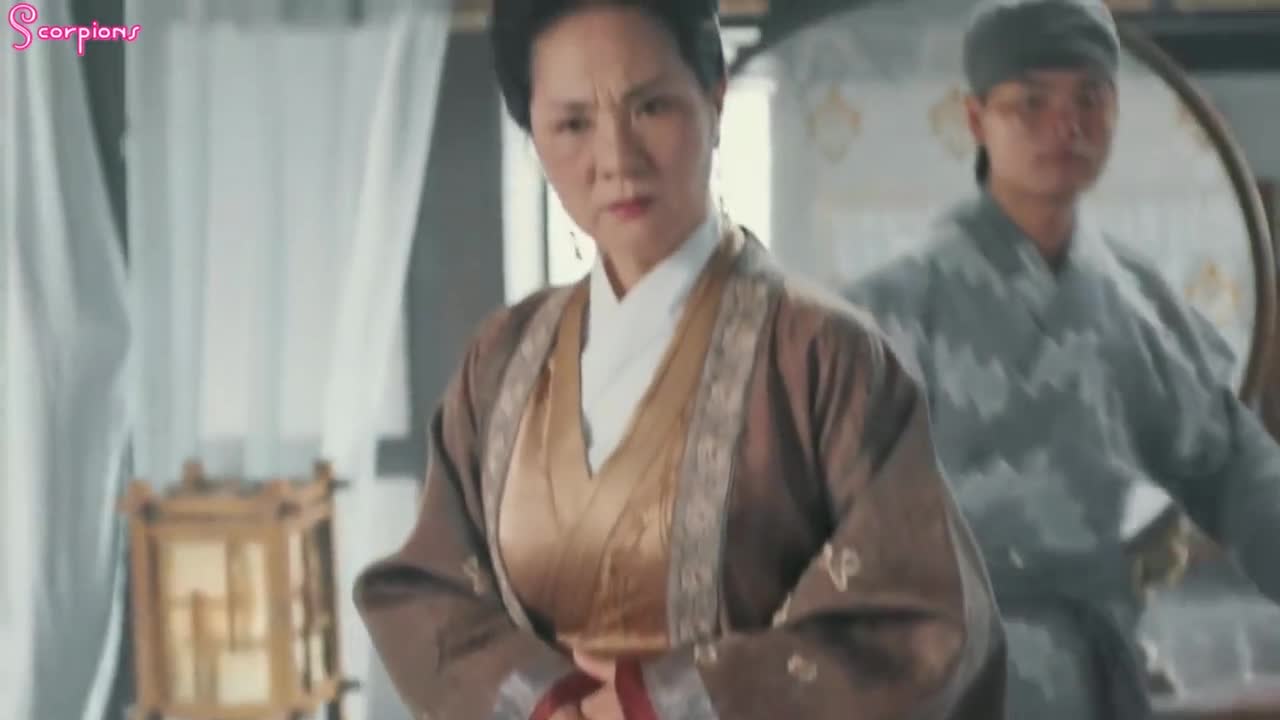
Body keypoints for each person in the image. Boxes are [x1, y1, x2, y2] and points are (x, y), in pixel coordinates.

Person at [355, 1, 1007, 719]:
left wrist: (669, 699)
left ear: (714, 97)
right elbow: (430, 588)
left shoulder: (825, 356)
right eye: (573, 124)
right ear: (533, 135)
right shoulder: (500, 362)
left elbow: (920, 624)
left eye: (651, 107)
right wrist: (544, 698)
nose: (616, 159)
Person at [845, 0, 1280, 717]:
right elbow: (798, 514)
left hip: (1100, 662)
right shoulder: (893, 305)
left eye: (1089, 99)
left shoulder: (1139, 301)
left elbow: (1234, 468)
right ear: (977, 120)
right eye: (1031, 103)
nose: (1065, 125)